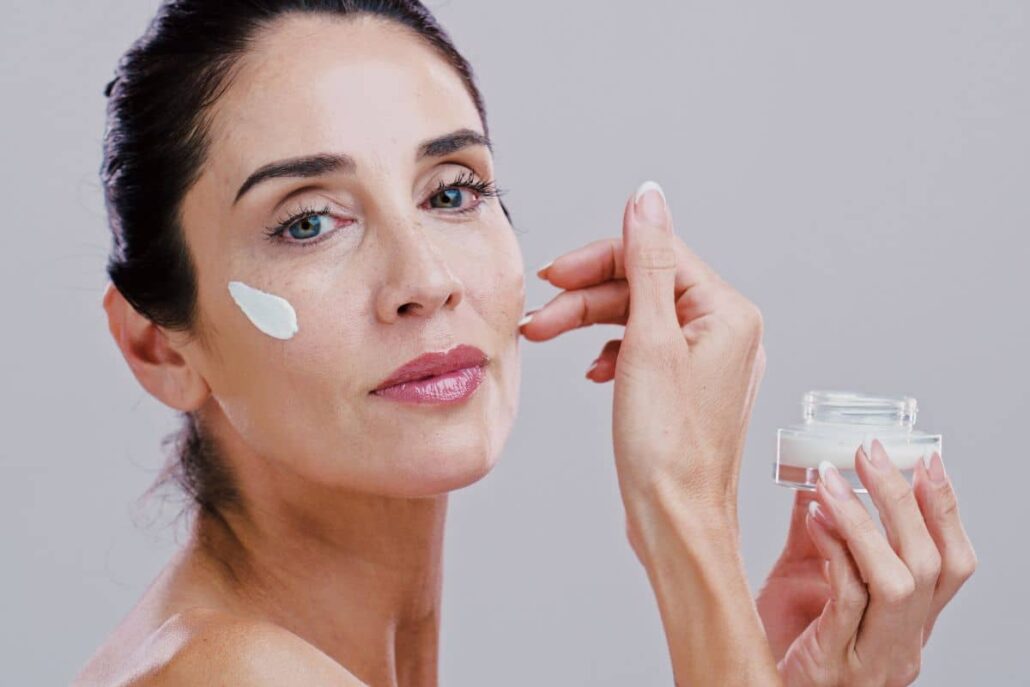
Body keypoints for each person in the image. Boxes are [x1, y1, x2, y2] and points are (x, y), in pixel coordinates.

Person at [75, 2, 977, 685]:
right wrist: (685, 518)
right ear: (161, 347)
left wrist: (753, 658)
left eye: (452, 191)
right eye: (309, 221)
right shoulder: (234, 673)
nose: (425, 279)